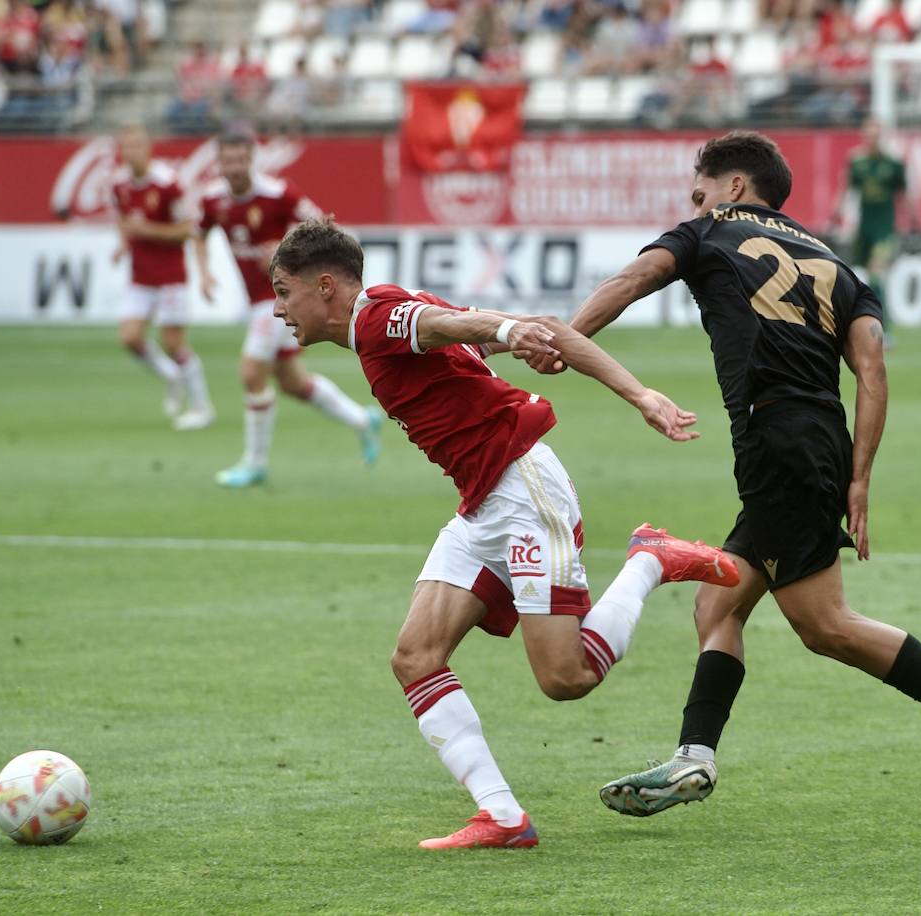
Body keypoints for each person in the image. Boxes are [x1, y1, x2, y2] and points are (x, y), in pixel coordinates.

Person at [527, 130, 921, 816]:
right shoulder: (837, 264)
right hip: (819, 441)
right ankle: (693, 756)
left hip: (775, 441)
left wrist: (569, 339)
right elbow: (873, 368)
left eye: (699, 189)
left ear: (734, 187)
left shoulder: (706, 231)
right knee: (719, 603)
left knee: (825, 625)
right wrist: (859, 478)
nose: (692, 201)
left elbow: (630, 280)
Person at [267, 217, 741, 849]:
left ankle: (650, 560)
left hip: (523, 491)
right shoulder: (391, 317)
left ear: (325, 286)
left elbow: (465, 326)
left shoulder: (380, 319)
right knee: (415, 657)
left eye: (283, 290)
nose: (277, 309)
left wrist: (511, 331)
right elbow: (533, 334)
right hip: (483, 502)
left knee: (565, 678)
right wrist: (632, 390)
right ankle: (503, 817)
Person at [194, 133, 382, 488]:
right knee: (293, 383)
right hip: (257, 301)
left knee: (251, 373)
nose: (233, 167)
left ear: (252, 158)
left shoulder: (279, 194)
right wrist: (204, 273)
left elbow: (324, 228)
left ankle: (254, 464)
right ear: (219, 163)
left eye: (240, 159)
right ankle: (362, 420)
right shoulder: (213, 199)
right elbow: (199, 233)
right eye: (227, 160)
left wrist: (286, 249)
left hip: (283, 300)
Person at [110, 125, 214, 430]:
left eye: (135, 146)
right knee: (129, 338)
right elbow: (123, 220)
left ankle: (201, 406)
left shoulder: (168, 185)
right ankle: (171, 376)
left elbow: (187, 230)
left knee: (173, 343)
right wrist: (122, 244)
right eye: (125, 147)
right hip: (140, 277)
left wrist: (147, 231)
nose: (130, 153)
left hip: (170, 276)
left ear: (148, 148)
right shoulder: (119, 185)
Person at [830, 119, 914, 344]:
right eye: (869, 135)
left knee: (877, 276)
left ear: (882, 137)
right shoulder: (857, 162)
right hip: (863, 230)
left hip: (884, 230)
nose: (872, 140)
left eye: (876, 135)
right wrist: (837, 210)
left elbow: (904, 195)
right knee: (859, 277)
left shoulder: (894, 164)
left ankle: (884, 331)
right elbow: (845, 188)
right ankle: (856, 326)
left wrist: (913, 221)